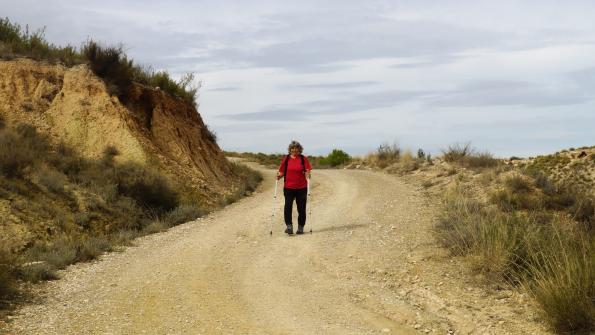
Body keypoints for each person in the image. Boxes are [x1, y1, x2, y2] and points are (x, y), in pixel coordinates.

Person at [277, 140, 312, 235]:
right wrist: (279, 176)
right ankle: (289, 226)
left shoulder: (303, 159)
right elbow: (282, 172)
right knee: (288, 206)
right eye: (292, 148)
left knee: (301, 208)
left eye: (296, 148)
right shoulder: (287, 159)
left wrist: (308, 174)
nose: (294, 150)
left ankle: (300, 227)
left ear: (299, 149)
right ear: (290, 149)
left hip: (301, 187)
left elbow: (308, 171)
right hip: (289, 187)